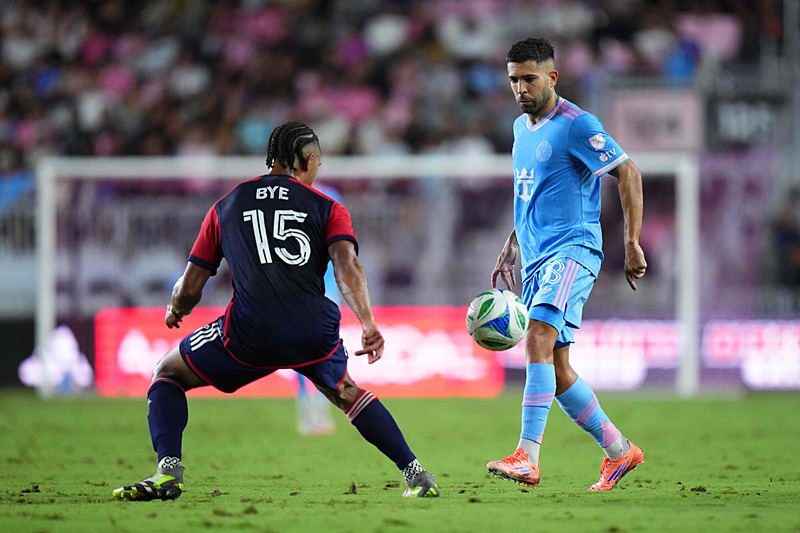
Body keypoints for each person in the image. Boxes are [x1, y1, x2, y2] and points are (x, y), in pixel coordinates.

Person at [112, 121, 439, 501]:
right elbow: (347, 265)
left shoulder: (227, 205)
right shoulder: (328, 206)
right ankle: (416, 475)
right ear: (308, 158)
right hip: (312, 331)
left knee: (167, 372)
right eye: (317, 163)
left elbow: (191, 286)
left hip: (249, 332)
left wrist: (175, 308)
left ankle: (168, 472)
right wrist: (367, 322)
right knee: (347, 391)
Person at [486, 38, 647, 491]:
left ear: (552, 77)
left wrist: (630, 241)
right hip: (536, 256)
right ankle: (620, 452)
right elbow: (533, 192)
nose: (520, 87)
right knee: (556, 371)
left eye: (529, 78)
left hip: (573, 249)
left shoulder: (578, 124)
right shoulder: (521, 129)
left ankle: (527, 456)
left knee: (537, 334)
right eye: (514, 78)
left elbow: (629, 172)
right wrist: (514, 241)